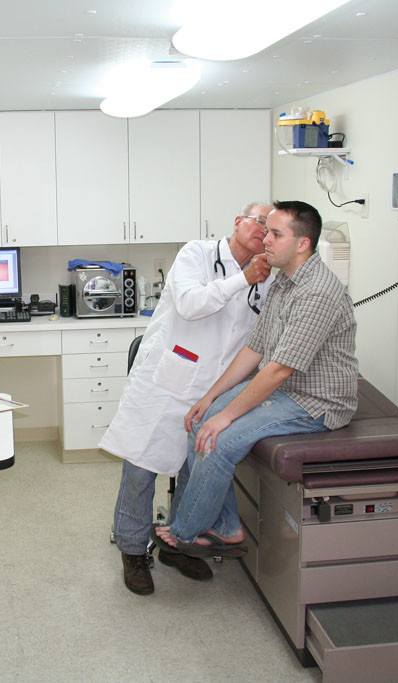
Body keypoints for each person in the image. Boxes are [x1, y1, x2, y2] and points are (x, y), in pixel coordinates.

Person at [154, 200, 358, 557]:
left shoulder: (318, 292)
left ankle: (185, 532)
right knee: (200, 419)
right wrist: (210, 398)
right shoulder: (284, 281)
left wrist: (225, 415)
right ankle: (228, 528)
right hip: (286, 388)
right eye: (267, 230)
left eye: (276, 234)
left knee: (218, 440)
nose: (266, 239)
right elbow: (255, 348)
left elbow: (280, 369)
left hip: (317, 402)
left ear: (302, 244)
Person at [100, 203, 274, 596]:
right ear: (238, 221)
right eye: (258, 221)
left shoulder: (266, 279)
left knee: (193, 473)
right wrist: (241, 279)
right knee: (141, 471)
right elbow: (191, 304)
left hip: (215, 390)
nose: (263, 232)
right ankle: (132, 551)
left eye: (271, 228)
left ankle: (178, 545)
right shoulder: (197, 253)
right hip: (167, 384)